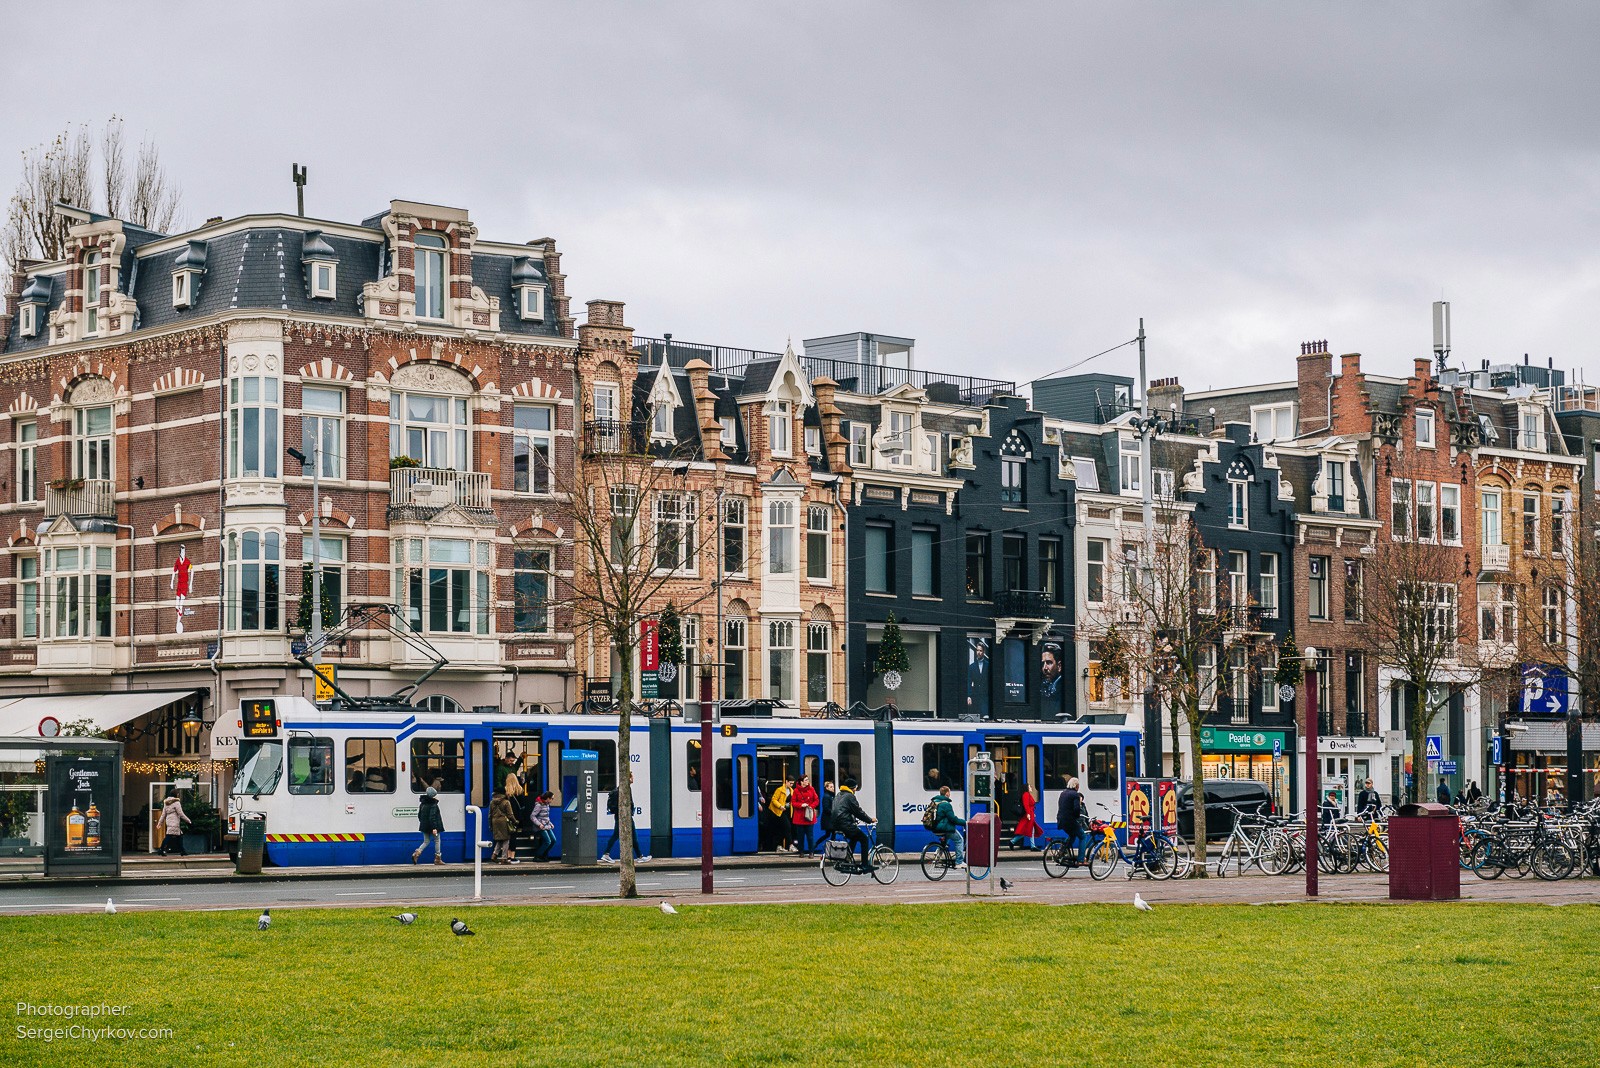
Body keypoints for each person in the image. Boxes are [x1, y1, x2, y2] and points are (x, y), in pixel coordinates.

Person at [602, 773, 651, 863]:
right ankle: (606, 854)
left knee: (624, 835)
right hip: (624, 816)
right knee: (622, 835)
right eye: (631, 777)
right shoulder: (625, 789)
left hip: (622, 815)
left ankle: (639, 856)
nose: (633, 779)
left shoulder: (622, 788)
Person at [832, 777, 876, 871]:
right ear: (853, 788)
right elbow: (858, 811)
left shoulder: (839, 795)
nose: (856, 789)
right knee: (864, 839)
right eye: (856, 787)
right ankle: (865, 865)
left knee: (854, 837)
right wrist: (869, 820)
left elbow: (843, 810)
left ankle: (846, 859)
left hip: (836, 824)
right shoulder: (850, 796)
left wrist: (853, 819)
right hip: (845, 824)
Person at [928, 785, 966, 866]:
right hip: (944, 828)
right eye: (949, 792)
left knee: (947, 838)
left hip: (935, 827)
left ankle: (939, 851)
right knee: (959, 840)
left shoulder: (935, 802)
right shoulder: (946, 804)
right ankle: (959, 862)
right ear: (947, 793)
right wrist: (965, 822)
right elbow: (953, 819)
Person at [1057, 776, 1088, 865]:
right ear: (1076, 786)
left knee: (1072, 835)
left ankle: (1062, 851)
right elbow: (1076, 809)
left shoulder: (1063, 793)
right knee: (1083, 836)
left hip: (1061, 820)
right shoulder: (1075, 795)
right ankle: (1081, 860)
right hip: (1070, 821)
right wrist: (1077, 817)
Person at [413, 786, 445, 865]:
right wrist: (434, 828)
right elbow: (432, 817)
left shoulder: (422, 804)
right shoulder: (433, 804)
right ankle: (438, 859)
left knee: (426, 841)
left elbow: (419, 815)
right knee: (437, 840)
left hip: (424, 826)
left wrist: (424, 824)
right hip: (434, 827)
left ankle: (417, 853)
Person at [789, 774, 820, 855]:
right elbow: (793, 803)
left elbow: (816, 800)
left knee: (810, 836)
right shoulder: (796, 791)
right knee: (800, 836)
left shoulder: (811, 789)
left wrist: (811, 806)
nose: (808, 781)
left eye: (807, 780)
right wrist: (801, 805)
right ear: (801, 782)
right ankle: (801, 852)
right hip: (799, 817)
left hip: (809, 816)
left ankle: (811, 852)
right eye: (806, 780)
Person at [1010, 786, 1042, 850]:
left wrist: (1032, 813)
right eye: (1029, 787)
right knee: (1027, 831)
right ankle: (1013, 841)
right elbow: (1026, 805)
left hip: (1030, 814)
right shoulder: (1026, 794)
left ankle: (1032, 846)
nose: (1031, 788)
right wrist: (1028, 814)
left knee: (1030, 830)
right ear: (1026, 788)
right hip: (1029, 815)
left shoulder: (1027, 794)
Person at [489, 790, 516, 863]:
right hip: (503, 822)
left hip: (494, 821)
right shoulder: (506, 802)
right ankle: (504, 858)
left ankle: (494, 855)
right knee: (506, 839)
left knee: (500, 839)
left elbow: (490, 815)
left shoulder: (492, 802)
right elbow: (510, 815)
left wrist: (490, 825)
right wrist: (515, 821)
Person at [768, 776, 793, 852]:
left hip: (787, 811)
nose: (791, 785)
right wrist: (780, 806)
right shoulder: (779, 790)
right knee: (788, 827)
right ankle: (790, 845)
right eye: (790, 783)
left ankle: (778, 846)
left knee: (782, 829)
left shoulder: (792, 790)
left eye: (792, 784)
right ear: (786, 781)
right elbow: (774, 800)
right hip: (779, 811)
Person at [530, 792, 556, 861]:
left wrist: (550, 823)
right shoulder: (539, 805)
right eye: (552, 798)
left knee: (553, 840)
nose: (552, 800)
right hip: (540, 826)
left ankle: (544, 855)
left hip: (546, 825)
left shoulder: (547, 804)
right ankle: (537, 856)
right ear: (548, 798)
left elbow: (545, 817)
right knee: (548, 841)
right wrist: (539, 824)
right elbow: (532, 816)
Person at [819, 781, 837, 852]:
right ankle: (831, 849)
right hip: (828, 819)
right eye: (831, 787)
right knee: (832, 833)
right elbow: (826, 808)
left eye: (833, 787)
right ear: (827, 788)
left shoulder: (830, 796)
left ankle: (829, 848)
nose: (833, 788)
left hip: (829, 819)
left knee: (829, 834)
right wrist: (834, 812)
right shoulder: (827, 796)